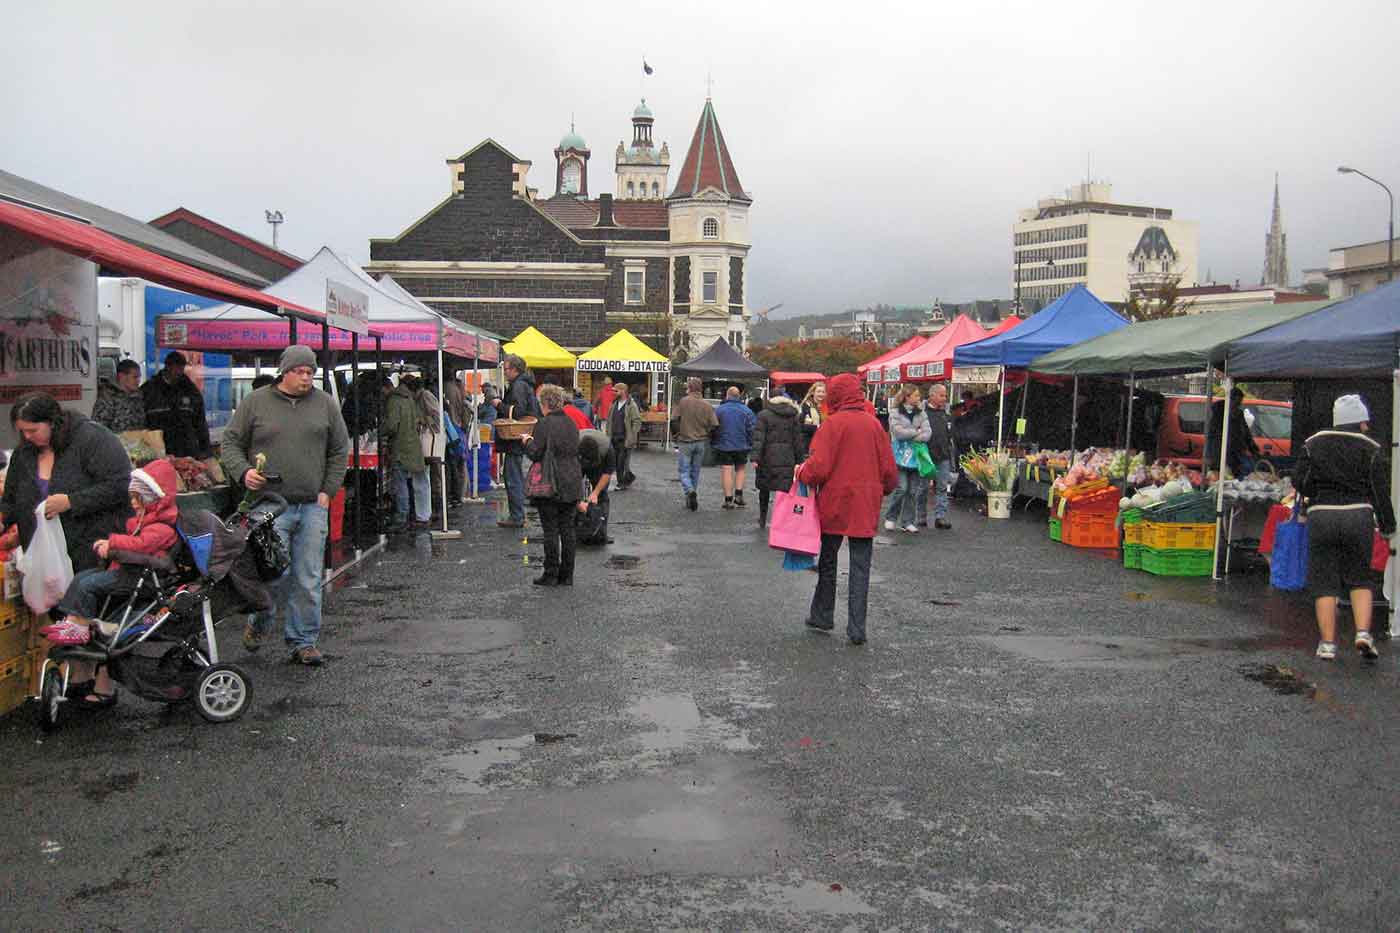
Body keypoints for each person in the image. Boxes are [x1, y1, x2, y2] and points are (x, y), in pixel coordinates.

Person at [223, 345, 349, 667]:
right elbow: (231, 443)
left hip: (312, 505)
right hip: (268, 506)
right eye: (301, 372)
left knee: (307, 577)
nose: (307, 378)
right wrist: (243, 472)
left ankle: (303, 642)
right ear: (285, 371)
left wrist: (327, 491)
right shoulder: (256, 403)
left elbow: (339, 450)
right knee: (274, 574)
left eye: (311, 372)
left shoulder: (325, 405)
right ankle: (260, 620)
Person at [41, 460, 181, 708]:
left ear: (154, 498)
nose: (134, 504)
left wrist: (113, 544)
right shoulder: (147, 522)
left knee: (88, 584)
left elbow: (139, 546)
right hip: (130, 575)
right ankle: (75, 624)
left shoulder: (160, 528)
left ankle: (78, 625)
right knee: (84, 579)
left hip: (138, 579)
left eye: (139, 498)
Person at [795, 373, 898, 646]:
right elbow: (889, 471)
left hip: (835, 502)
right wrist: (881, 489)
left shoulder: (831, 425)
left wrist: (803, 474)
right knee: (860, 566)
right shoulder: (875, 425)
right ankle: (857, 628)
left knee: (828, 561)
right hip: (865, 502)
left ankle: (822, 615)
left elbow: (819, 468)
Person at [1295, 395, 1396, 661]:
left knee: (1325, 582)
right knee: (1360, 578)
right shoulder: (1371, 448)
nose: (1367, 427)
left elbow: (1300, 480)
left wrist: (1315, 491)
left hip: (1322, 515)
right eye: (1364, 421)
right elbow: (1379, 492)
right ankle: (1363, 633)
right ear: (1357, 420)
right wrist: (1388, 526)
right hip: (1357, 516)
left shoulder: (1313, 443)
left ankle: (1328, 644)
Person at [0, 392, 130, 576]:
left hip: (86, 551)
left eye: (32, 430)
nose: (27, 437)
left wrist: (72, 501)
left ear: (52, 422)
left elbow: (119, 485)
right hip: (40, 554)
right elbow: (11, 499)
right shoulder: (24, 453)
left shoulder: (92, 439)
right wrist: (3, 519)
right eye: (22, 431)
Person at [524, 385, 583, 586]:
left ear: (546, 403)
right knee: (568, 530)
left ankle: (550, 573)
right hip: (573, 478)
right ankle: (567, 575)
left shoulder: (544, 423)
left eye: (541, 403)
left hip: (551, 481)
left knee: (550, 529)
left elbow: (536, 453)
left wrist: (526, 441)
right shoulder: (571, 422)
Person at [494, 354, 540, 528]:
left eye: (506, 369)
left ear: (514, 369)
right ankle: (517, 515)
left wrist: (499, 405)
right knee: (513, 476)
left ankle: (517, 516)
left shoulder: (519, 386)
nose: (505, 372)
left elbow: (519, 412)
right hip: (518, 438)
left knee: (512, 477)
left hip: (515, 438)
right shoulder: (524, 384)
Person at [383, 374, 431, 532]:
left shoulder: (394, 400)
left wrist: (380, 431)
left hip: (400, 448)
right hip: (414, 446)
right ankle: (422, 515)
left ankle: (401, 517)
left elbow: (391, 426)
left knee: (400, 483)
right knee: (419, 481)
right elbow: (418, 419)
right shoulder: (410, 399)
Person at [142, 351, 211, 458]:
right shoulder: (149, 390)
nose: (179, 372)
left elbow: (200, 422)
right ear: (167, 367)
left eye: (181, 368)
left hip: (187, 452)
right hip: (158, 451)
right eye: (176, 368)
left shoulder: (190, 390)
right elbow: (141, 421)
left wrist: (205, 450)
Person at [884, 385, 930, 534]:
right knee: (902, 488)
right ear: (907, 397)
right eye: (916, 396)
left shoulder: (922, 413)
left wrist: (913, 434)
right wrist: (916, 432)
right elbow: (897, 433)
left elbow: (928, 433)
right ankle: (891, 517)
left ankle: (908, 521)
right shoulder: (895, 412)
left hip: (916, 456)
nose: (919, 398)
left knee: (912, 491)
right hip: (899, 456)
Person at [752, 390, 802, 528]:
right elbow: (797, 440)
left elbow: (758, 438)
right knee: (784, 491)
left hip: (767, 457)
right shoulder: (793, 415)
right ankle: (781, 520)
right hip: (787, 457)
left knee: (764, 489)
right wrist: (799, 460)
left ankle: (762, 518)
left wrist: (755, 458)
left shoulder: (764, 415)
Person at [672, 377, 718, 511]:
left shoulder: (683, 402)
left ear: (690, 388)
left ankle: (690, 491)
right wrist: (707, 434)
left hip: (685, 441)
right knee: (695, 471)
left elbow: (674, 420)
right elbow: (715, 425)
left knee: (683, 471)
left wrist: (676, 435)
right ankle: (691, 496)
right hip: (701, 442)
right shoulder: (707, 405)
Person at [714, 386, 757, 509]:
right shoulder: (747, 410)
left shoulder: (720, 410)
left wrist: (715, 441)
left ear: (727, 396)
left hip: (724, 444)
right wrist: (750, 443)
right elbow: (752, 429)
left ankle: (728, 499)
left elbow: (714, 426)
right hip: (742, 445)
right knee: (741, 469)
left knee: (727, 470)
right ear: (739, 396)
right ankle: (739, 495)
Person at [1206, 387, 1260, 477]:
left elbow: (1246, 433)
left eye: (1240, 402)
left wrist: (1253, 449)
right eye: (1237, 401)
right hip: (1220, 453)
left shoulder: (1239, 414)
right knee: (1218, 476)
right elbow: (1211, 434)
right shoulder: (1218, 413)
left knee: (1235, 476)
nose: (1238, 404)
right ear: (1230, 399)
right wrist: (1209, 455)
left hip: (1236, 454)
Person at [923, 383, 956, 530]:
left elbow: (950, 435)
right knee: (922, 488)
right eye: (942, 395)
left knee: (942, 487)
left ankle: (940, 517)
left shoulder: (946, 415)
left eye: (945, 395)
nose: (945, 398)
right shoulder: (922, 414)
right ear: (932, 395)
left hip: (943, 456)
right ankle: (920, 517)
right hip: (925, 456)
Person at [576, 428, 615, 546]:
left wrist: (595, 493)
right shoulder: (572, 447)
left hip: (600, 467)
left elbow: (607, 473)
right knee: (573, 496)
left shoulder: (608, 449)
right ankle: (576, 530)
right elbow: (570, 480)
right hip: (577, 462)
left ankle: (601, 533)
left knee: (602, 496)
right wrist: (578, 501)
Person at [93, 359, 146, 434]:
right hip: (115, 444)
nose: (138, 380)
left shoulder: (139, 397)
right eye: (135, 377)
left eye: (139, 377)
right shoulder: (107, 397)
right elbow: (99, 428)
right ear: (122, 376)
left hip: (137, 443)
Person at [607, 381, 642, 490]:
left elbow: (637, 421)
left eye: (616, 391)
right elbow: (609, 420)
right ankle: (627, 478)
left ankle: (621, 483)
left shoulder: (631, 405)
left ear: (623, 391)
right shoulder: (614, 404)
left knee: (620, 462)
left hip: (624, 438)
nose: (613, 393)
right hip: (613, 438)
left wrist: (632, 436)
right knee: (616, 461)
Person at [444, 376, 470, 505]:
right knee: (460, 465)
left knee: (454, 465)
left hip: (453, 431)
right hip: (459, 431)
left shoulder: (448, 389)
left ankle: (456, 495)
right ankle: (459, 495)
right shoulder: (460, 393)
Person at [798, 382, 826, 461]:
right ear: (813, 392)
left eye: (823, 392)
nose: (821, 394)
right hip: (808, 444)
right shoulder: (806, 406)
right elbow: (800, 426)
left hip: (823, 443)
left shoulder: (826, 407)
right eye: (819, 391)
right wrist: (818, 427)